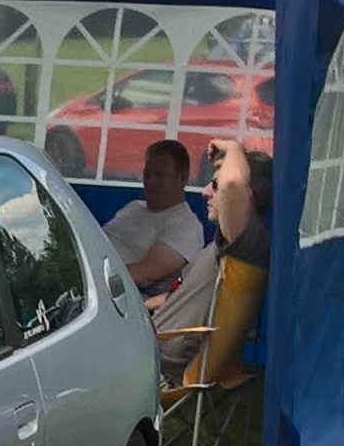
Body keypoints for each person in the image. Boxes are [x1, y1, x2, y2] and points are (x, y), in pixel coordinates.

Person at [149, 138, 272, 382]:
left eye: (214, 185)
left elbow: (232, 183)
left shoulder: (250, 243)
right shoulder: (228, 245)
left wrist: (233, 148)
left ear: (247, 195)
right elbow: (185, 293)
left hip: (159, 370)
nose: (205, 192)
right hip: (148, 349)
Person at [101, 140, 205, 296]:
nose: (151, 181)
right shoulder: (133, 208)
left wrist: (93, 277)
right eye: (147, 175)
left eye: (160, 175)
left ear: (182, 178)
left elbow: (144, 276)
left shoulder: (186, 227)